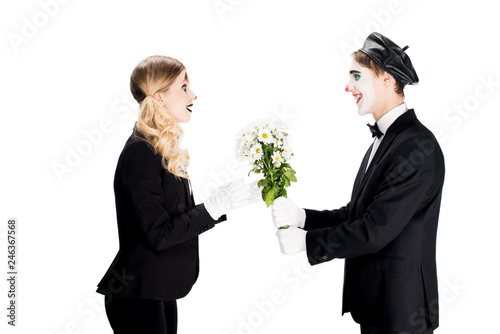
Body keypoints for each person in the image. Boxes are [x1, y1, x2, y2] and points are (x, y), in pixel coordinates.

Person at [271, 32, 445, 334]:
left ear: (388, 79)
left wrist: (308, 243)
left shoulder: (416, 146)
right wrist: (304, 218)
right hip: (379, 306)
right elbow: (359, 214)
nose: (348, 86)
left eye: (357, 76)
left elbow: (375, 230)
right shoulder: (388, 140)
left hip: (402, 314)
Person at [96, 55, 259, 334]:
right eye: (184, 87)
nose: (193, 94)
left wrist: (218, 206)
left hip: (158, 288)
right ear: (159, 98)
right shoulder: (140, 152)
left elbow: (172, 219)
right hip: (136, 294)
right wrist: (210, 209)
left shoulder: (160, 147)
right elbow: (159, 234)